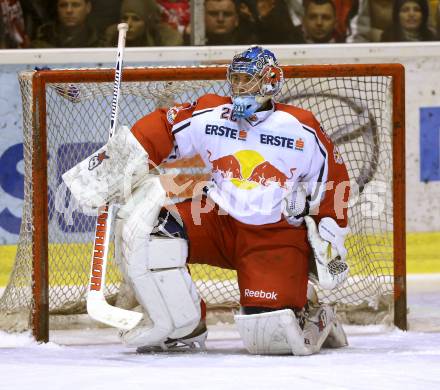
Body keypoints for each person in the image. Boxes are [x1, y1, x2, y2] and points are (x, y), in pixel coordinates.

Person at [63, 46, 351, 356]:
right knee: (151, 232)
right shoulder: (212, 113)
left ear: (270, 81)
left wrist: (331, 236)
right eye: (236, 79)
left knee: (268, 337)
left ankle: (314, 312)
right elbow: (164, 128)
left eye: (248, 80)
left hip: (274, 238)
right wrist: (116, 165)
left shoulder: (301, 127)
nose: (240, 87)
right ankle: (183, 325)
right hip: (217, 222)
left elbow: (335, 179)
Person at [105, 0, 183, 47]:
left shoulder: (167, 37)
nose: (128, 24)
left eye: (136, 19)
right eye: (125, 18)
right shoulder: (113, 35)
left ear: (148, 21)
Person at [32, 0, 101, 48]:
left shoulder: (99, 43)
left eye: (75, 5)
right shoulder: (41, 44)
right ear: (57, 8)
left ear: (88, 7)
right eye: (63, 5)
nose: (69, 10)